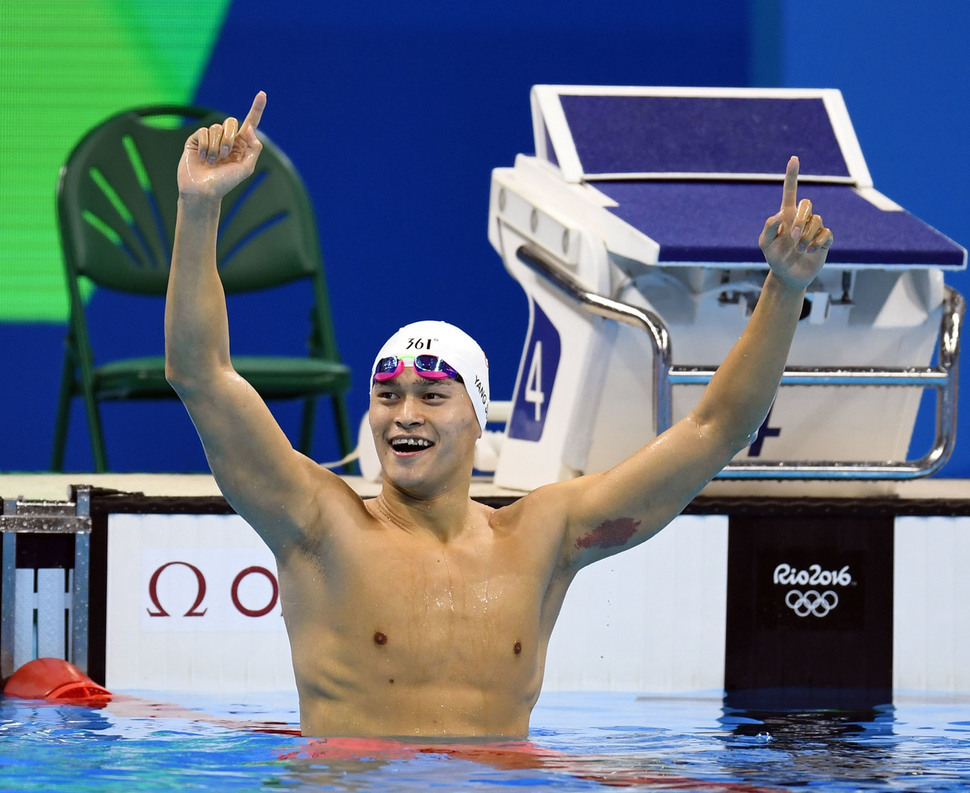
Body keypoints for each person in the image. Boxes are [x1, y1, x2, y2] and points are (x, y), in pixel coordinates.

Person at [165, 91, 833, 739]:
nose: (405, 414)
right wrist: (198, 209)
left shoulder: (543, 537)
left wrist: (785, 287)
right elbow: (201, 374)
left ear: (478, 416)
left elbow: (716, 430)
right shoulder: (317, 525)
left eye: (432, 396)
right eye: (388, 394)